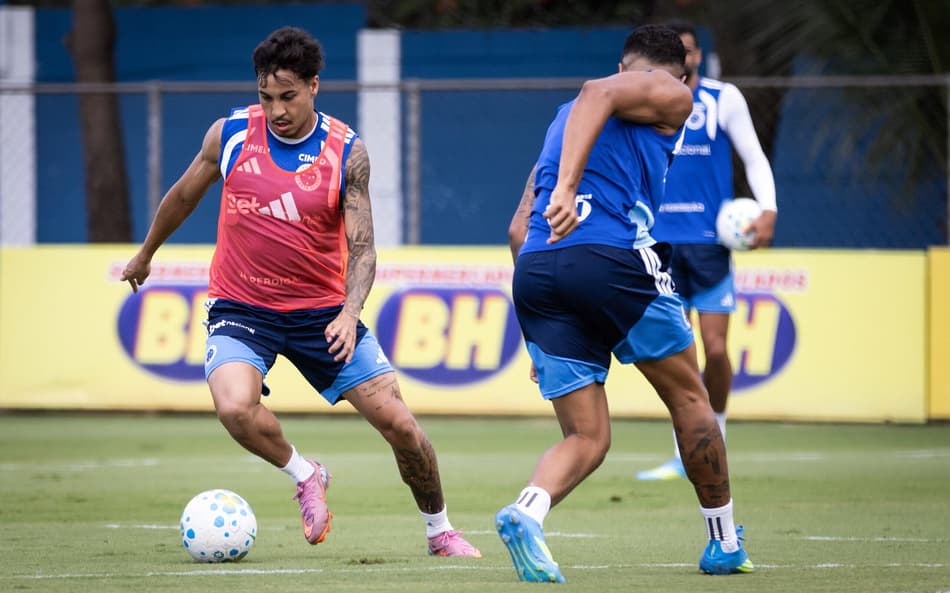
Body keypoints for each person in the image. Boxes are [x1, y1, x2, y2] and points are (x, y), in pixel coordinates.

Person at [120, 26, 480, 558]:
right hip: (242, 307)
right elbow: (182, 194)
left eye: (288, 96)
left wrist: (349, 312)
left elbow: (364, 250)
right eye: (267, 97)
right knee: (234, 409)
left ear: (314, 85)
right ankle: (306, 473)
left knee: (401, 427)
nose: (276, 110)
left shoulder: (345, 152)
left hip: (322, 314)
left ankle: (440, 531)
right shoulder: (231, 135)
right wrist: (147, 252)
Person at [499, 24, 753, 583]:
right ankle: (724, 540)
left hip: (539, 270)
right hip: (612, 260)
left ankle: (528, 510)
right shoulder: (672, 93)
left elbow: (520, 226)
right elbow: (601, 93)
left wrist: (546, 306)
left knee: (587, 437)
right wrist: (568, 191)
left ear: (622, 63)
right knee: (690, 397)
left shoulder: (563, 118)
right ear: (674, 74)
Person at [636, 21, 778, 481]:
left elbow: (753, 156)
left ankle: (717, 431)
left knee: (716, 350)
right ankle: (683, 452)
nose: (687, 59)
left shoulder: (722, 98)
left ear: (696, 56)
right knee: (681, 355)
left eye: (692, 51)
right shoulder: (642, 99)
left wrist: (767, 210)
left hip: (711, 243)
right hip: (660, 244)